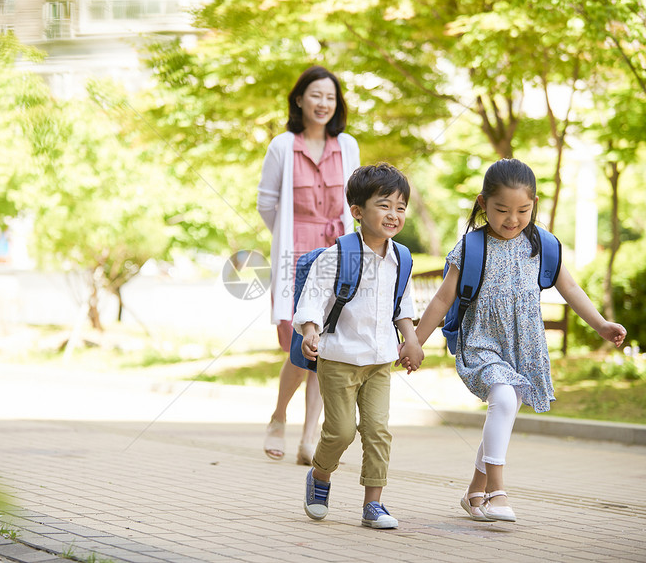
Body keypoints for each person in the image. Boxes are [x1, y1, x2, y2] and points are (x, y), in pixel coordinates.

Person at [404, 158, 626, 523]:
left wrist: (601, 324)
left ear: (534, 203)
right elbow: (443, 299)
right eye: (501, 210)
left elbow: (569, 287)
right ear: (482, 204)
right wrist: (416, 341)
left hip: (524, 346)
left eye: (523, 210)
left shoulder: (542, 245)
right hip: (481, 343)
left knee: (503, 411)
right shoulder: (472, 248)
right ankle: (498, 491)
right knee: (504, 398)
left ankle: (474, 491)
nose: (512, 219)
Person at [295, 163, 424, 529]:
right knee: (341, 431)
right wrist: (310, 331)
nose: (394, 214)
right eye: (384, 205)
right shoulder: (338, 255)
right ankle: (320, 476)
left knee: (378, 430)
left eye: (400, 207)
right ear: (357, 211)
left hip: (380, 360)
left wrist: (410, 339)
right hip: (338, 358)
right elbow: (313, 299)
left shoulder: (401, 257)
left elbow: (403, 305)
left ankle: (373, 503)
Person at [257, 66, 360, 465]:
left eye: (330, 97)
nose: (323, 103)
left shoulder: (346, 145)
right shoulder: (283, 146)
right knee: (299, 346)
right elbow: (267, 204)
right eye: (316, 95)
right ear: (299, 99)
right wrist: (290, 235)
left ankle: (308, 439)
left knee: (326, 347)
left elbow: (358, 201)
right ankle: (278, 415)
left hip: (336, 254)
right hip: (295, 257)